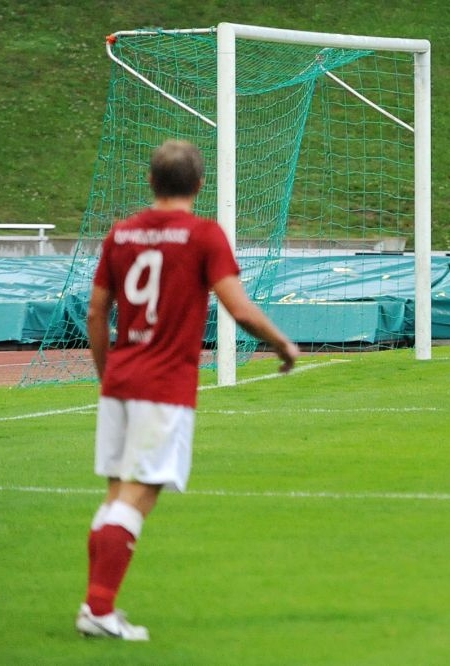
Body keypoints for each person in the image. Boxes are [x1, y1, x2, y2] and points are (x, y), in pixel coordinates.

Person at [76, 140, 300, 640]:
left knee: (116, 492)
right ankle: (98, 608)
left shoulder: (121, 234)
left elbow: (96, 312)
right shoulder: (203, 236)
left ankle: (97, 603)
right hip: (163, 384)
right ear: (199, 185)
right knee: (138, 493)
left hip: (121, 378)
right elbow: (239, 309)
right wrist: (283, 343)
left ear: (151, 182)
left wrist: (105, 373)